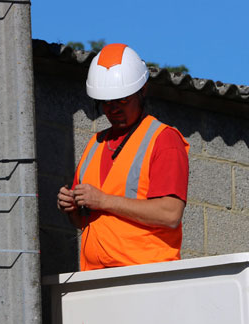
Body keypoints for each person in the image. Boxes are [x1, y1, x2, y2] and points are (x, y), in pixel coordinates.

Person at [57, 43, 189, 270]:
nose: (113, 108)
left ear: (143, 90)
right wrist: (71, 208)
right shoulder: (95, 144)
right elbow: (85, 222)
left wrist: (103, 200)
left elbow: (170, 213)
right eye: (106, 102)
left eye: (122, 100)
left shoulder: (164, 139)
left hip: (143, 275)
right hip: (96, 277)